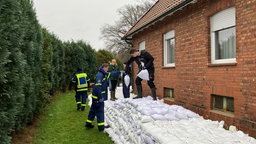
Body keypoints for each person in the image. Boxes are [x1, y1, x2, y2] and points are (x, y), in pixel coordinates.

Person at [85, 63, 120, 131]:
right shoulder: (100, 75)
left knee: (93, 110)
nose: (108, 69)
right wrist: (101, 97)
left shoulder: (103, 73)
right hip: (98, 97)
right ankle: (101, 127)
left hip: (95, 97)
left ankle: (88, 123)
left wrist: (118, 72)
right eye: (107, 68)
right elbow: (97, 87)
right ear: (104, 67)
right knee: (100, 111)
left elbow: (111, 74)